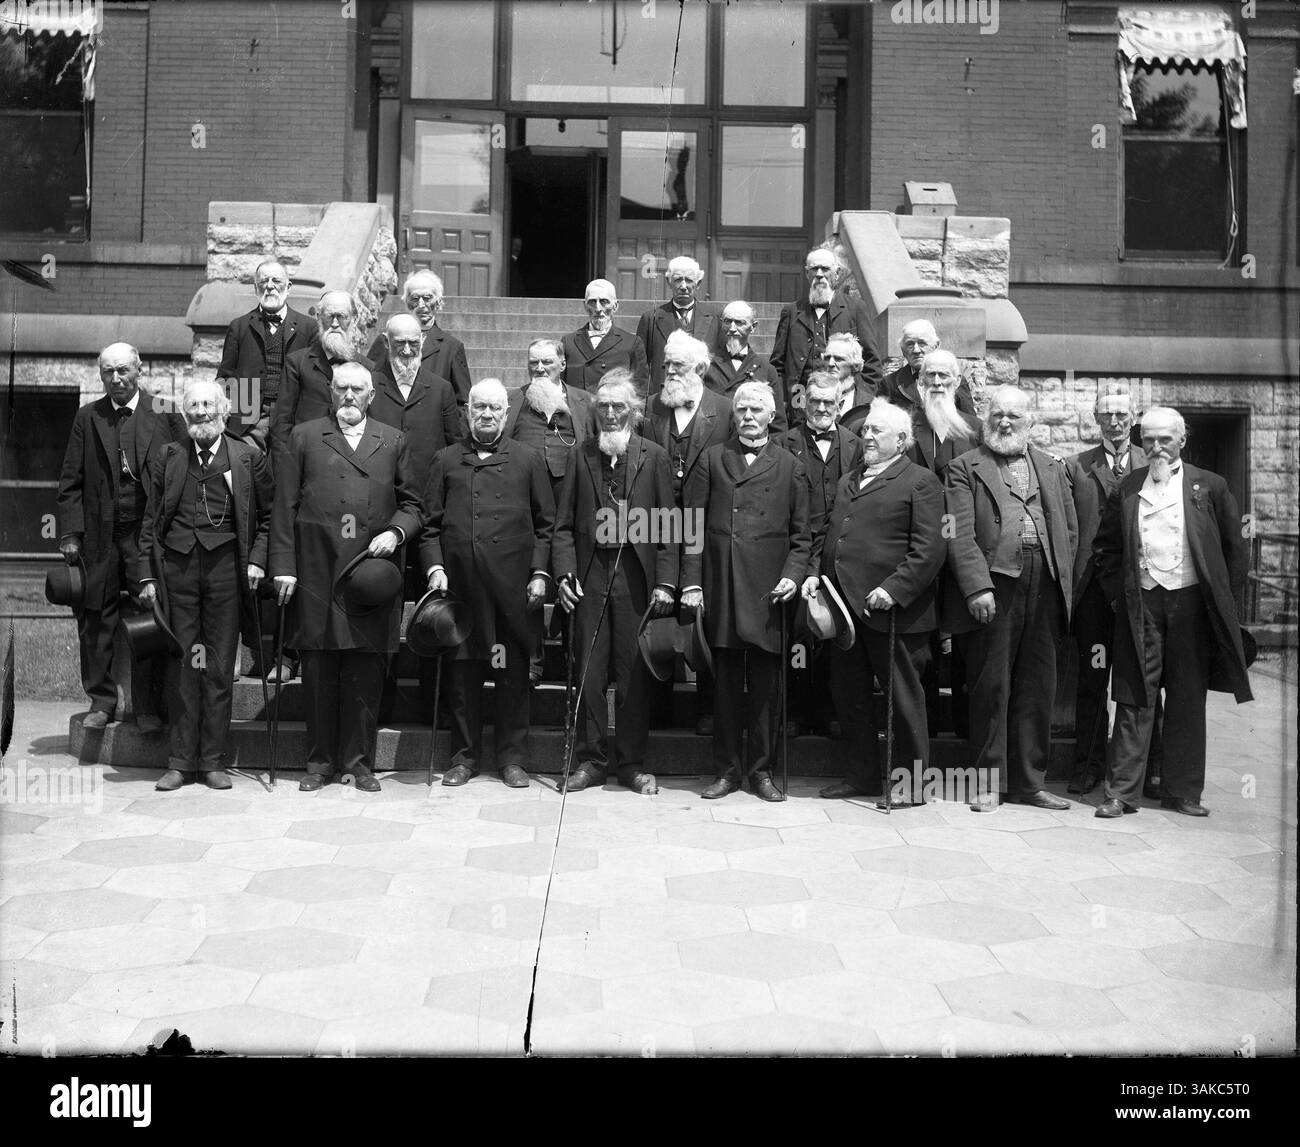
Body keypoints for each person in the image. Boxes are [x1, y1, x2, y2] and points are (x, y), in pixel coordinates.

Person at [269, 362, 423, 792]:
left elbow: (413, 505)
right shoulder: (304, 436)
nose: (349, 396)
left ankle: (359, 762)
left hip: (370, 575)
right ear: (331, 393)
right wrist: (282, 566)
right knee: (318, 672)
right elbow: (283, 507)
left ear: (372, 395)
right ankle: (318, 763)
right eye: (342, 389)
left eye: (358, 389)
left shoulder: (393, 440)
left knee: (364, 674)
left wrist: (395, 532)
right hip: (316, 571)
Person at [1094, 406, 1252, 819]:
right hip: (1141, 604)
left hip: (1190, 604)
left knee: (1186, 697)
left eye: (1165, 439)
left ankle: (1182, 792)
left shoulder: (1210, 486)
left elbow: (1235, 551)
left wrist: (1218, 601)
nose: (1156, 447)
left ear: (1182, 439)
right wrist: (1118, 596)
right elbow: (1106, 550)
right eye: (1148, 439)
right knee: (1132, 697)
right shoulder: (1127, 487)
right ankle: (1121, 794)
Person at [943, 386, 1077, 811]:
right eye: (996, 415)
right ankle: (987, 783)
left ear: (1029, 424)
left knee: (1039, 687)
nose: (1004, 423)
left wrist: (1063, 580)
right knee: (991, 687)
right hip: (995, 586)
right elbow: (957, 533)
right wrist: (976, 585)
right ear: (985, 420)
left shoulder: (1052, 468)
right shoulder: (964, 468)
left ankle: (1030, 783)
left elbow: (1070, 530)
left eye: (1013, 417)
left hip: (1046, 582)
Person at [806, 399, 946, 802]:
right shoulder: (850, 480)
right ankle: (861, 776)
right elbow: (829, 535)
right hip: (845, 612)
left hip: (894, 614)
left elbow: (929, 549)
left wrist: (893, 589)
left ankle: (912, 786)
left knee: (903, 701)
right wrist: (815, 574)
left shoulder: (921, 481)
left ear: (901, 440)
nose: (866, 436)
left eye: (876, 431)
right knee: (849, 699)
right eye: (865, 430)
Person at [138, 381, 273, 791]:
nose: (201, 411)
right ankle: (180, 762)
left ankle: (212, 760)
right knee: (182, 665)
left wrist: (256, 561)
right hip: (177, 573)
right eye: (193, 405)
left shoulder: (248, 458)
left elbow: (268, 520)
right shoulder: (170, 456)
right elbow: (150, 521)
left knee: (217, 666)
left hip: (226, 574)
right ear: (184, 413)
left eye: (208, 405)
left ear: (225, 411)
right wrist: (146, 575)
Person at [421, 379, 555, 790]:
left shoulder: (528, 459)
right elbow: (429, 527)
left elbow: (547, 525)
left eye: (495, 408)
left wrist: (538, 573)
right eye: (479, 407)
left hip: (512, 591)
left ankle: (512, 759)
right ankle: (464, 758)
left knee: (513, 676)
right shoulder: (445, 459)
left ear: (507, 413)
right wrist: (436, 567)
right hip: (462, 589)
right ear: (467, 412)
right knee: (463, 678)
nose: (486, 415)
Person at [681, 382, 811, 802]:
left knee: (766, 690)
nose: (749, 416)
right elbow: (692, 527)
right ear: (733, 416)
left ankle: (762, 772)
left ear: (772, 416)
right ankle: (726, 771)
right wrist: (693, 581)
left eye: (757, 409)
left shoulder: (790, 466)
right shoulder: (714, 459)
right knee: (724, 688)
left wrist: (793, 575)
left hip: (768, 593)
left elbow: (802, 536)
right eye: (742, 410)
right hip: (722, 584)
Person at [554, 372, 679, 795]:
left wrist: (666, 582)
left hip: (635, 578)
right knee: (588, 674)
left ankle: (630, 763)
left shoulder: (655, 456)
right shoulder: (579, 455)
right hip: (589, 576)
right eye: (603, 406)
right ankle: (591, 761)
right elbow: (563, 526)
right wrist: (565, 573)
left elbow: (669, 526)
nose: (609, 413)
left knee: (632, 676)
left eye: (618, 407)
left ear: (634, 411)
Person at [57, 342, 187, 731]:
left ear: (139, 370)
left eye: (123, 371)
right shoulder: (87, 416)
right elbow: (70, 481)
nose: (116, 379)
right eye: (108, 372)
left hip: (147, 536)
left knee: (152, 616)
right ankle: (102, 701)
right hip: (101, 535)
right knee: (96, 617)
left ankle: (147, 708)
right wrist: (70, 535)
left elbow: (185, 469)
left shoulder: (164, 411)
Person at [367, 312, 462, 721]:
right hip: (383, 518)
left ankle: (431, 707)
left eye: (413, 344)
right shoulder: (370, 385)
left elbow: (456, 444)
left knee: (432, 608)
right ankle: (382, 704)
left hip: (429, 516)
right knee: (383, 610)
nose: (407, 350)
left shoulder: (440, 390)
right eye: (399, 343)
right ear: (386, 343)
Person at [643, 330, 732, 735]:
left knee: (704, 615)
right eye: (665, 366)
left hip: (706, 525)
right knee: (657, 611)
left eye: (676, 365)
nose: (669, 372)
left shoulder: (726, 411)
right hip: (657, 526)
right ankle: (656, 706)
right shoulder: (650, 409)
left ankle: (710, 709)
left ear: (698, 368)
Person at [1063, 386, 1150, 795]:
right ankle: (1088, 765)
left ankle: (1147, 770)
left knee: (1143, 682)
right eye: (1106, 415)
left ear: (1133, 418)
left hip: (1140, 592)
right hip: (1094, 593)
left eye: (1121, 415)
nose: (1114, 422)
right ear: (1095, 419)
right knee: (1093, 680)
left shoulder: (1153, 464)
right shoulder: (1076, 466)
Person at [505, 338, 596, 684]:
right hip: (523, 505)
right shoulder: (513, 400)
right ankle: (532, 657)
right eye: (533, 363)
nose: (539, 369)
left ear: (562, 363)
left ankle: (576, 657)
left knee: (571, 576)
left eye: (546, 362)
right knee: (527, 578)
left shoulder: (583, 402)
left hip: (570, 503)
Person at [904, 348, 982, 740]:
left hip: (962, 545)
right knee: (923, 644)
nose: (936, 383)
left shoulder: (974, 428)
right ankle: (927, 728)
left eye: (944, 377)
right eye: (929, 377)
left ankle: (968, 728)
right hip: (916, 546)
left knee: (966, 641)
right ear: (919, 382)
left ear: (956, 383)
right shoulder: (906, 425)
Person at [783, 370, 864, 737]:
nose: (820, 408)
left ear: (839, 405)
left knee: (835, 638)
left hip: (840, 552)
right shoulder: (786, 443)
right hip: (796, 550)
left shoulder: (855, 444)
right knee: (798, 636)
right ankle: (797, 712)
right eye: (813, 401)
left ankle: (833, 713)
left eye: (827, 402)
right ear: (803, 403)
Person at [770, 247, 883, 423]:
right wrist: (784, 402)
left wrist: (861, 400)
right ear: (807, 274)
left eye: (825, 269)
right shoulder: (791, 312)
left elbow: (872, 361)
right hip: (800, 403)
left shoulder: (855, 309)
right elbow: (777, 365)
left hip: (844, 406)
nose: (819, 274)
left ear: (836, 274)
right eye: (814, 269)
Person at [216, 259, 317, 449]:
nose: (269, 286)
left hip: (292, 418)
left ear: (289, 286)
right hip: (248, 422)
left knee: (287, 474)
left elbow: (315, 381)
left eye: (276, 281)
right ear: (256, 287)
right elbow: (225, 377)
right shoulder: (239, 327)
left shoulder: (308, 328)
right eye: (264, 281)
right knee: (247, 473)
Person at [270, 290, 372, 475]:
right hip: (306, 462)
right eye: (328, 316)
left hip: (350, 465)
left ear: (354, 320)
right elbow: (282, 421)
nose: (334, 323)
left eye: (341, 317)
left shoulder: (366, 368)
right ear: (318, 318)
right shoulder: (297, 362)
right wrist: (285, 469)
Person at [368, 270, 472, 406]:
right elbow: (368, 384)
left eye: (428, 298)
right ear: (406, 302)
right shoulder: (386, 341)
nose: (421, 305)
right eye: (415, 299)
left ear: (439, 301)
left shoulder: (451, 347)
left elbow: (462, 401)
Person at [636, 256, 724, 392]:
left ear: (698, 283)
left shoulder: (715, 318)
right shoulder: (651, 318)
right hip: (664, 396)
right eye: (678, 280)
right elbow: (640, 366)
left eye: (689, 280)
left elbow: (721, 364)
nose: (683, 286)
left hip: (702, 395)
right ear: (669, 281)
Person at [702, 301, 787, 432]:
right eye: (727, 321)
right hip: (714, 443)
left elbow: (778, 424)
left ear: (753, 327)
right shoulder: (706, 364)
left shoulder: (766, 370)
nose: (732, 328)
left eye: (739, 323)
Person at [561, 279, 649, 395]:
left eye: (604, 302)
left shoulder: (631, 343)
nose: (598, 309)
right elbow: (560, 385)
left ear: (615, 305)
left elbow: (640, 389)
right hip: (578, 410)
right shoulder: (568, 342)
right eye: (592, 302)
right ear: (584, 305)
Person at [879, 319, 975, 417]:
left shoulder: (954, 380)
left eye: (922, 343)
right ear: (903, 350)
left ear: (936, 346)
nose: (916, 350)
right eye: (910, 344)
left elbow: (970, 424)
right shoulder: (890, 383)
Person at [820, 333, 877, 435]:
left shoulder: (872, 405)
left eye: (838, 359)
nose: (830, 364)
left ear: (855, 365)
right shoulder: (809, 401)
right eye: (827, 358)